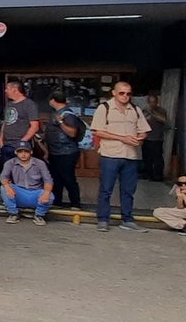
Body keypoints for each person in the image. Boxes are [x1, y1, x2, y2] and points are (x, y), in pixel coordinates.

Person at [91, 80, 150, 232]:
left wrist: (140, 138)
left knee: (128, 190)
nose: (125, 96)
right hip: (110, 154)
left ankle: (127, 219)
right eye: (122, 93)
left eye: (128, 93)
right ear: (114, 93)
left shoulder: (135, 109)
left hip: (131, 155)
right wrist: (122, 138)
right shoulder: (104, 108)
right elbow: (98, 131)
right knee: (106, 189)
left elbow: (143, 130)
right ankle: (103, 219)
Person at [44, 93, 86, 208]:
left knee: (68, 178)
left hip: (67, 152)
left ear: (52, 100)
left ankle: (75, 203)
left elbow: (72, 133)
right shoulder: (56, 113)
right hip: (55, 151)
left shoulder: (67, 114)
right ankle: (57, 201)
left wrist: (61, 122)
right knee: (56, 178)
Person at [0, 78, 41, 184]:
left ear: (15, 89)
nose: (5, 91)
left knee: (20, 173)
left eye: (7, 88)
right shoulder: (9, 104)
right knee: (6, 173)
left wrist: (22, 142)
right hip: (6, 144)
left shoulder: (29, 104)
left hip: (20, 146)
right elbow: (6, 122)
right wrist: (1, 139)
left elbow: (34, 126)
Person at [1, 140, 55, 225]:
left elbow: (48, 180)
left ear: (31, 152)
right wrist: (7, 186)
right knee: (4, 187)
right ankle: (13, 213)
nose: (23, 154)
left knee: (50, 196)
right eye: (20, 151)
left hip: (35, 193)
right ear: (16, 152)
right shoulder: (10, 163)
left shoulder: (40, 163)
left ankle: (39, 215)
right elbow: (3, 177)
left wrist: (47, 192)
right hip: (19, 193)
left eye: (26, 151)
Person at [142, 93, 170, 181]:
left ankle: (158, 176)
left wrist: (152, 112)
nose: (152, 104)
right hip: (146, 138)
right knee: (147, 158)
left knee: (157, 158)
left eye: (154, 102)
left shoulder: (161, 111)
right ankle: (148, 174)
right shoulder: (144, 111)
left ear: (157, 102)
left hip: (157, 138)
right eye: (150, 102)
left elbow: (164, 120)